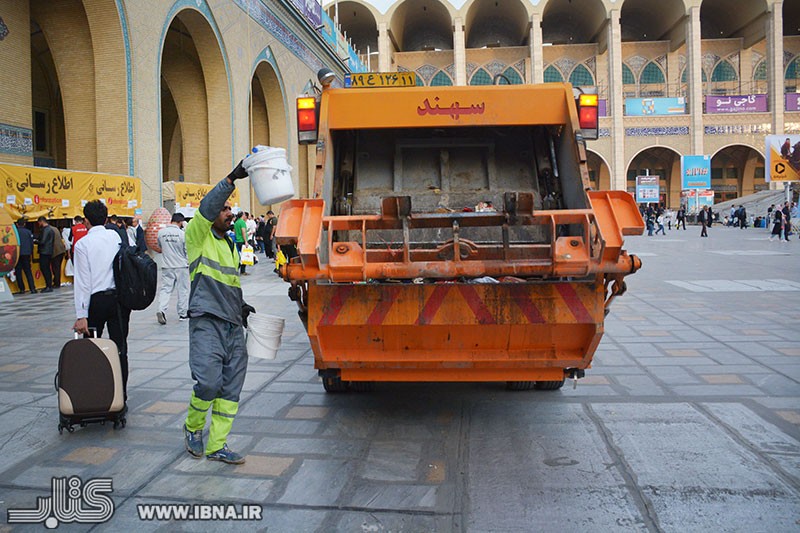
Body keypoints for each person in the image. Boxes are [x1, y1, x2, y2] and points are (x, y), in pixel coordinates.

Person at [182, 161, 255, 465]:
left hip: (232, 326)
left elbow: (229, 282)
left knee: (230, 388)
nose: (230, 213)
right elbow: (206, 207)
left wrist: (241, 307)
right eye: (225, 209)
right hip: (207, 322)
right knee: (209, 383)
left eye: (231, 209)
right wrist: (230, 179)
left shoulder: (229, 245)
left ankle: (217, 445)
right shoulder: (198, 237)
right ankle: (193, 427)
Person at [72, 200, 131, 400]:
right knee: (120, 348)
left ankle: (95, 394)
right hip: (118, 301)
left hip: (96, 302)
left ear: (85, 221)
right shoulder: (114, 236)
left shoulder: (82, 245)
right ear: (106, 219)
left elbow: (82, 282)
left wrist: (81, 315)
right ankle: (121, 394)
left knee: (93, 349)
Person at [156, 213, 189, 325]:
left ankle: (161, 309)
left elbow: (160, 246)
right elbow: (186, 250)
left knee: (165, 289)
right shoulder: (182, 234)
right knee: (182, 290)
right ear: (181, 222)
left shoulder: (161, 233)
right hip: (181, 265)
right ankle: (183, 314)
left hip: (167, 265)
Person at [14, 219, 36, 294]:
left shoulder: (15, 232)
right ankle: (32, 288)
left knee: (18, 272)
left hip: (17, 254)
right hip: (26, 254)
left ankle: (21, 289)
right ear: (24, 224)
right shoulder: (28, 232)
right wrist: (30, 252)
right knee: (28, 271)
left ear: (17, 224)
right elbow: (31, 244)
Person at [36, 216, 54, 293]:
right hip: (49, 251)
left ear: (41, 221)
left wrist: (35, 241)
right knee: (47, 268)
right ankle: (49, 285)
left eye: (39, 223)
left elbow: (43, 241)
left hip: (44, 251)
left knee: (45, 268)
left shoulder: (46, 230)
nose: (38, 224)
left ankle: (48, 285)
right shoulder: (51, 229)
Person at [49, 221, 67, 289]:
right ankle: (57, 282)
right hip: (61, 250)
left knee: (55, 268)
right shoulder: (55, 229)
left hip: (56, 251)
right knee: (57, 267)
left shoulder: (49, 230)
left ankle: (56, 283)